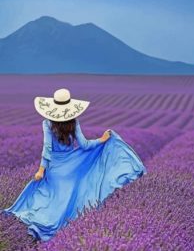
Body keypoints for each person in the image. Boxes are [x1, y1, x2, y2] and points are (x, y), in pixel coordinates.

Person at [1, 88, 147, 242]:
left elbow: (47, 148)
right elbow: (84, 145)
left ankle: (44, 227)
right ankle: (64, 233)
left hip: (55, 168)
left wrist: (41, 170)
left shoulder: (47, 123)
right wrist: (101, 140)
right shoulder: (74, 122)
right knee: (68, 199)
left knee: (51, 197)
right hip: (72, 167)